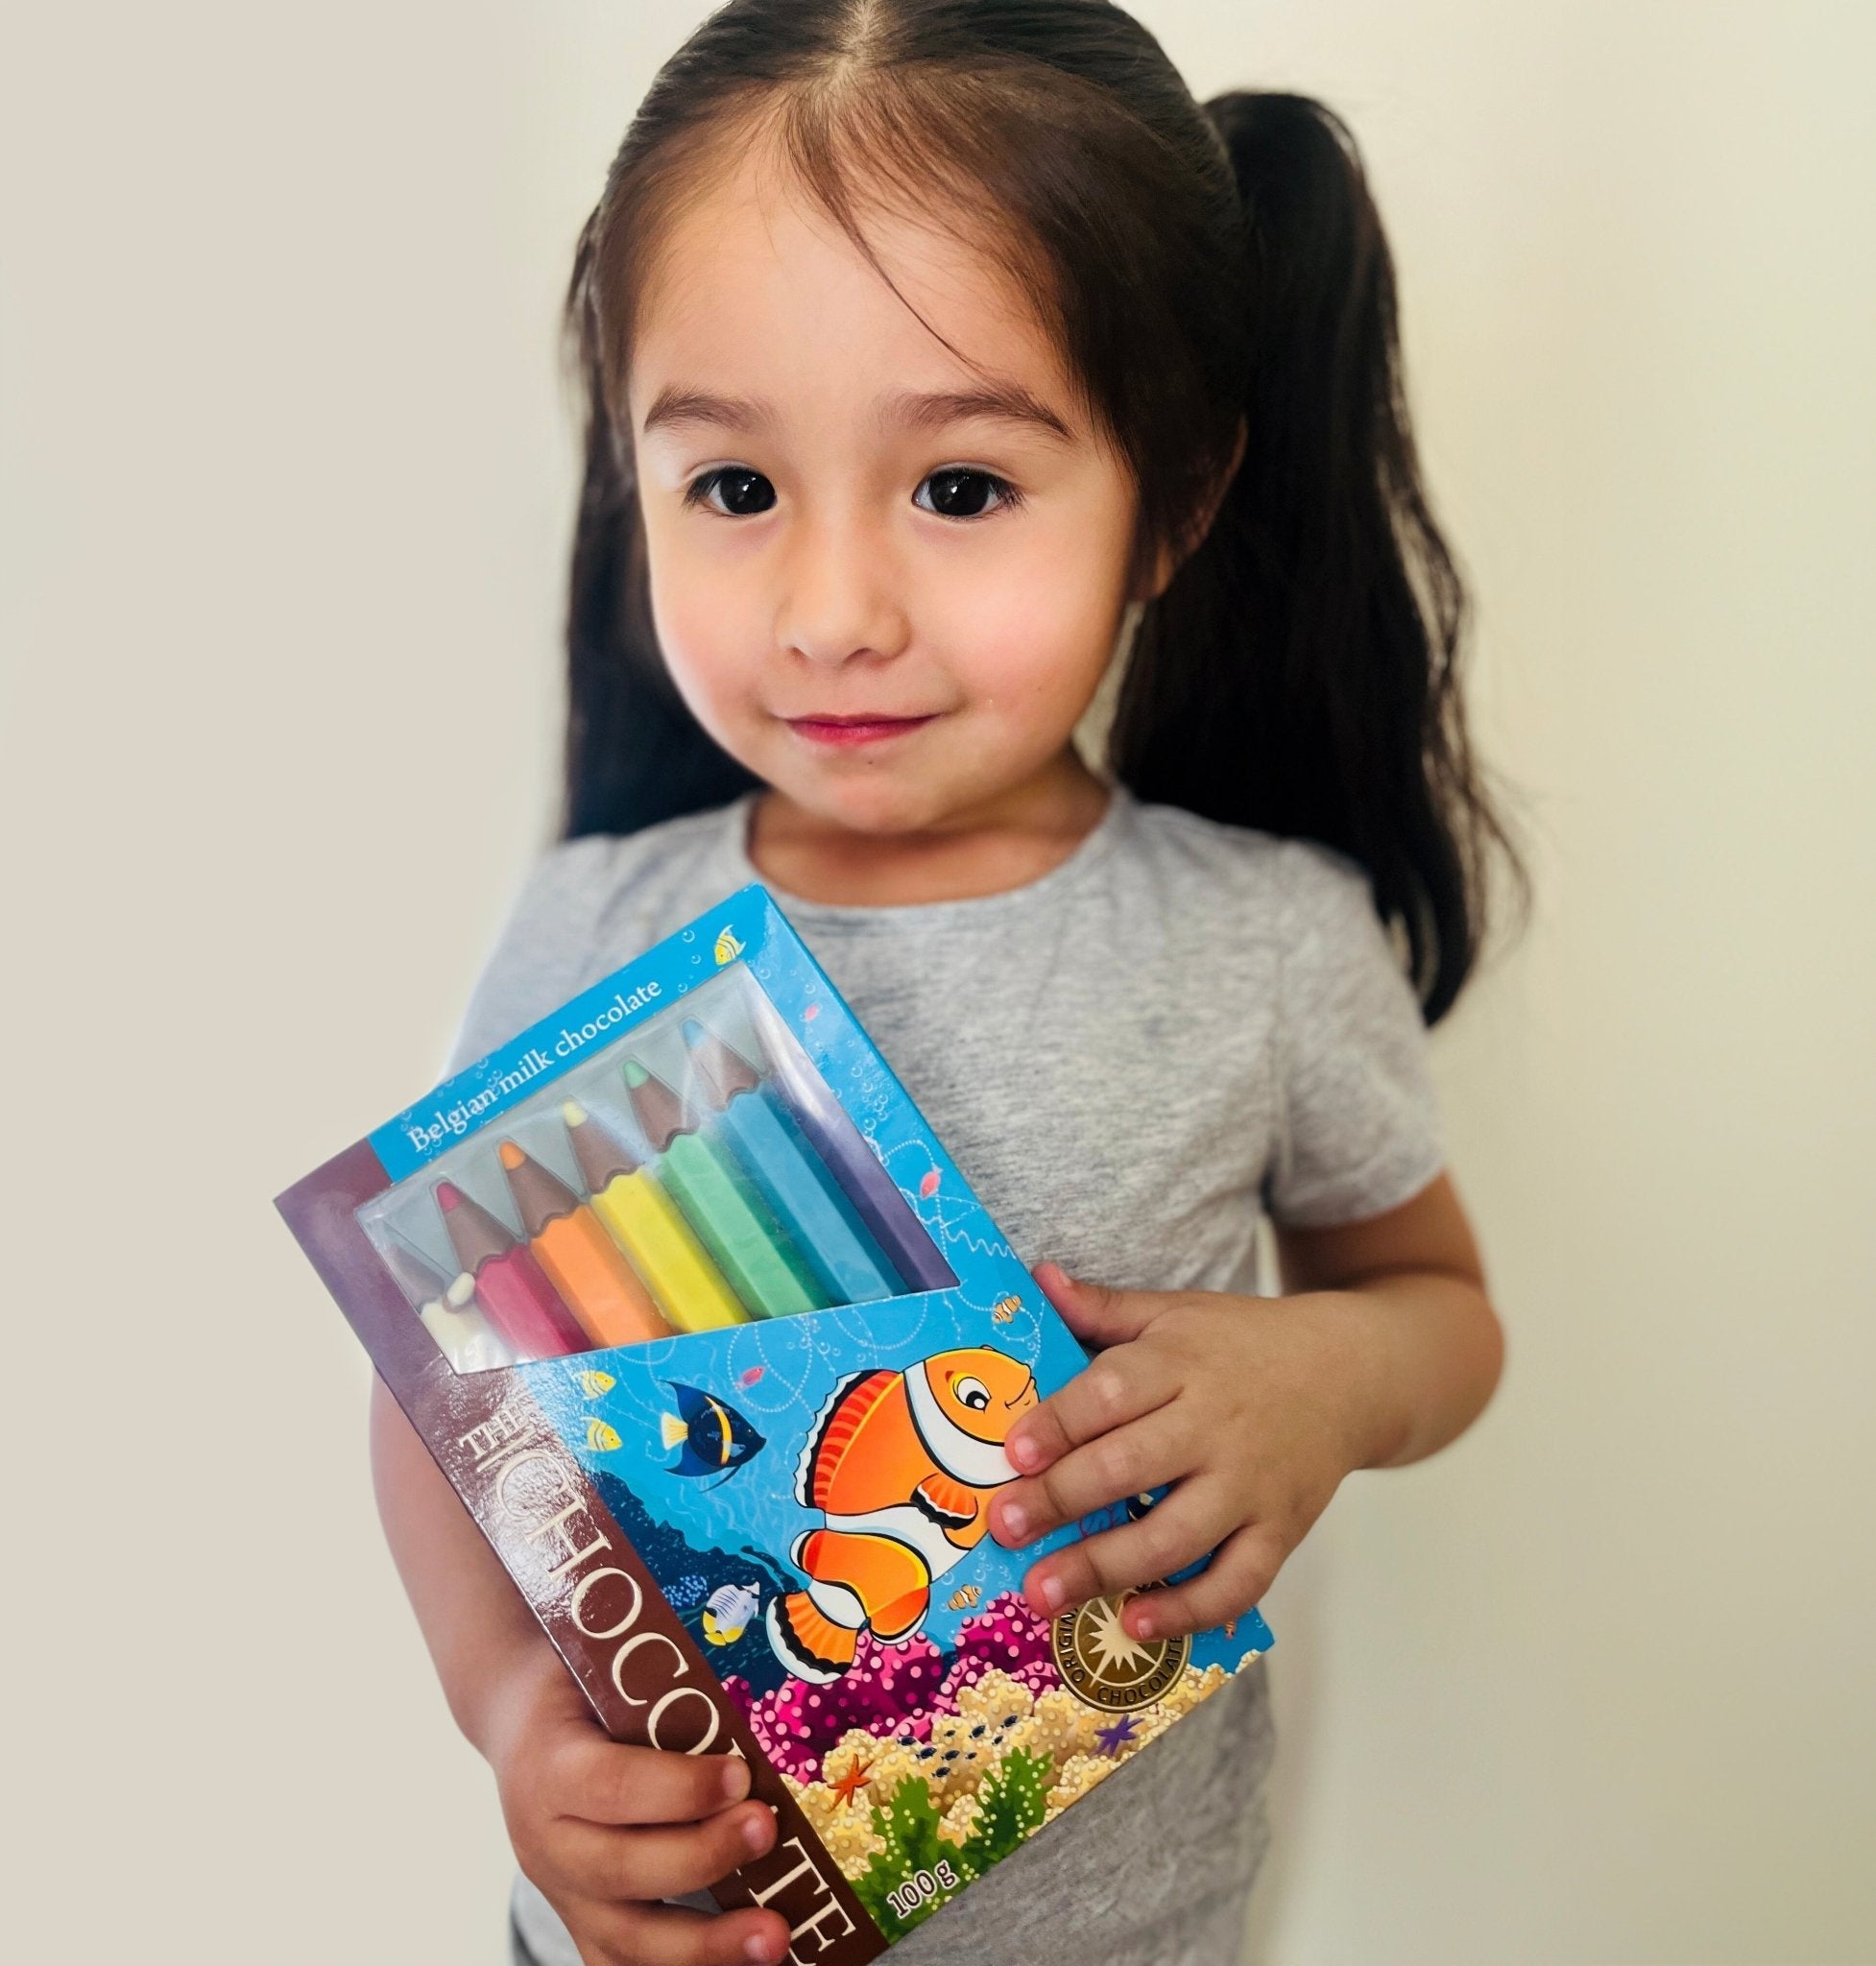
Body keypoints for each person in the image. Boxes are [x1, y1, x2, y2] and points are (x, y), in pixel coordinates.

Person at [370, 5, 1519, 1962]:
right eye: (731, 489)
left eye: (961, 488)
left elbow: (1436, 1311)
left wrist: (1322, 1380)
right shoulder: (586, 921)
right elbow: (438, 1398)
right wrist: (503, 1714)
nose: (831, 612)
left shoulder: (1254, 943)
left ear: (1173, 499)